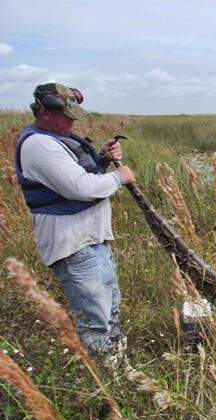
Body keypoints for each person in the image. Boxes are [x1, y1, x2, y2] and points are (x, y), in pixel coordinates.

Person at [14, 82, 136, 360]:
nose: (71, 121)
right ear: (44, 111)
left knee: (111, 307)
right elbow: (80, 188)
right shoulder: (39, 145)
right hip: (73, 245)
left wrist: (102, 159)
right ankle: (106, 381)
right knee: (96, 318)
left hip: (93, 240)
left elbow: (81, 175)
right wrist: (119, 177)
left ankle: (118, 366)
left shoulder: (56, 138)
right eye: (66, 115)